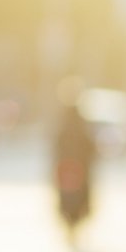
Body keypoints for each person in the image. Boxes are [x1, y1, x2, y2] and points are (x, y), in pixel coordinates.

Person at [52, 90, 96, 243]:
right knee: (78, 197)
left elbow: (56, 148)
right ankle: (74, 223)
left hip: (67, 169)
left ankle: (71, 224)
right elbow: (90, 148)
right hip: (79, 169)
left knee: (67, 197)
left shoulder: (62, 125)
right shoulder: (82, 125)